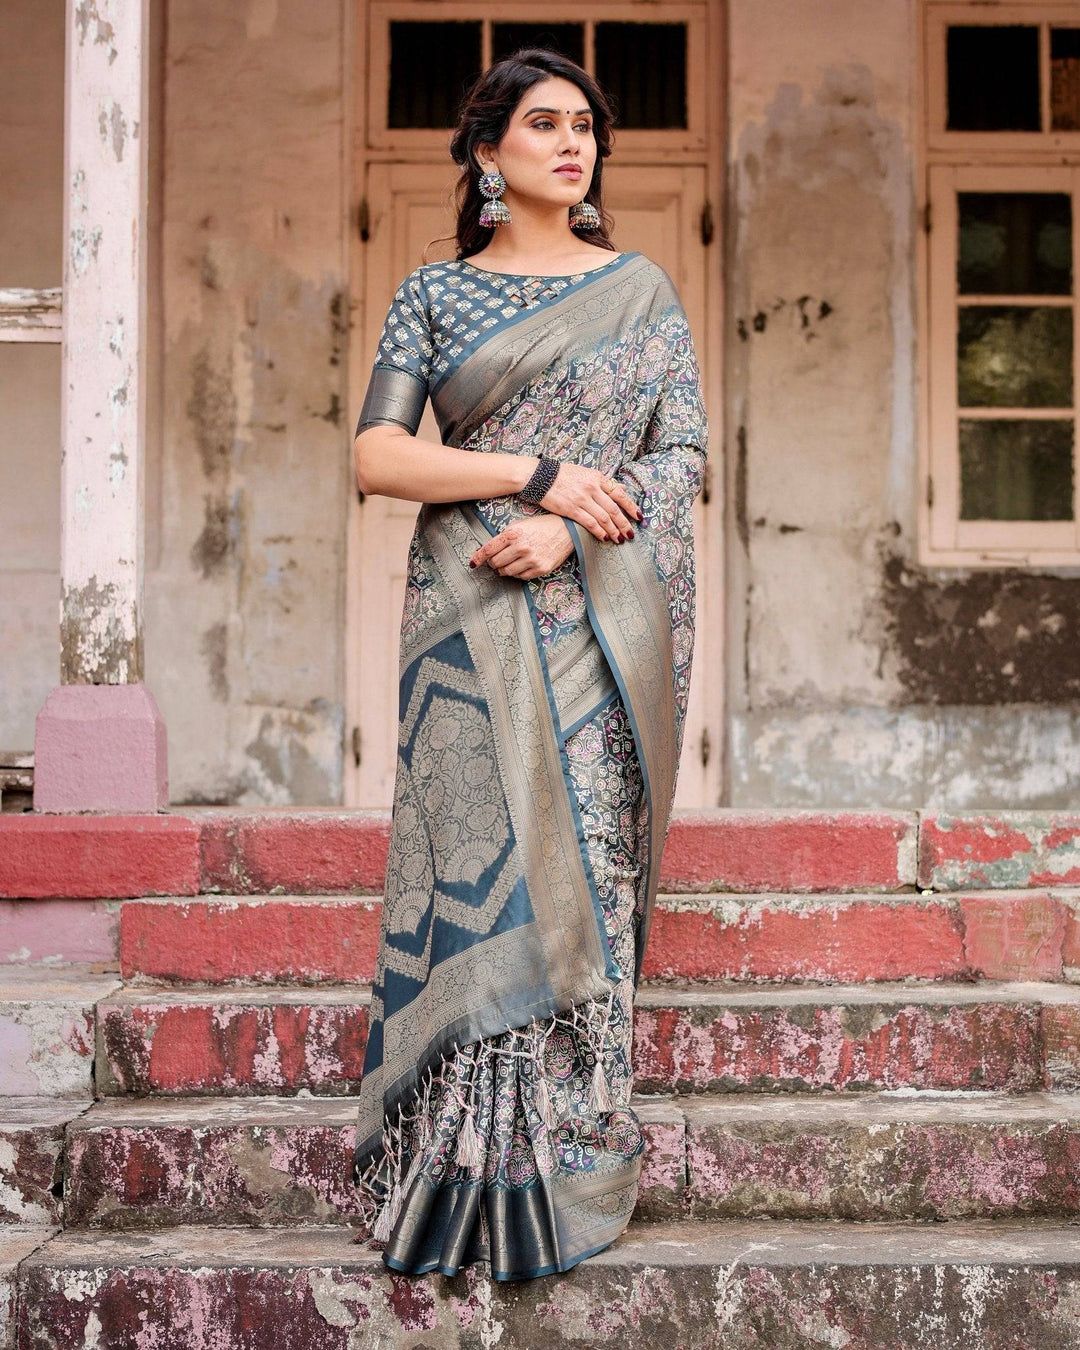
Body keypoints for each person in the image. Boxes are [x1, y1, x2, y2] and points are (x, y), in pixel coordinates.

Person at [349, 45, 709, 1281]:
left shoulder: (644, 291)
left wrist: (568, 527)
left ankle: (572, 1158)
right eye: (544, 124)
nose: (573, 143)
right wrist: (532, 472)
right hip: (464, 620)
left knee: (585, 884)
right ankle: (458, 1162)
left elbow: (680, 460)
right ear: (489, 152)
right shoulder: (435, 295)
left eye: (587, 127)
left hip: (599, 628)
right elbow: (379, 459)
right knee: (479, 874)